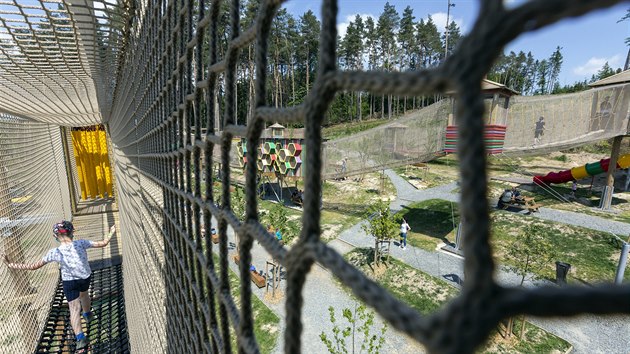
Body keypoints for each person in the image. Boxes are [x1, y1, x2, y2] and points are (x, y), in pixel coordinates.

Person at [2, 221, 116, 352]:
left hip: (70, 282)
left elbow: (33, 267)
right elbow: (104, 243)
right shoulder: (81, 243)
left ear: (55, 236)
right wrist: (111, 231)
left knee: (74, 309)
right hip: (84, 277)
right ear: (72, 232)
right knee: (84, 294)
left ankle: (80, 338)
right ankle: (87, 313)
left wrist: (12, 265)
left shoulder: (54, 252)